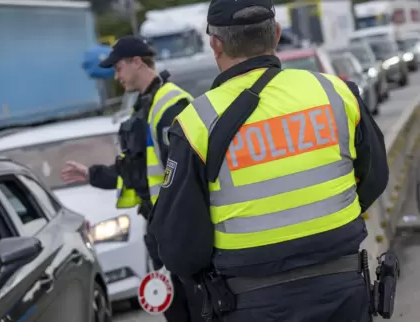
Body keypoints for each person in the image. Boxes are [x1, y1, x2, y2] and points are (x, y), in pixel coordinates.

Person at [148, 1, 390, 321]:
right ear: (276, 34)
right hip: (341, 290)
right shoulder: (335, 93)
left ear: (215, 44)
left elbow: (178, 243)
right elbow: (374, 176)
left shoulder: (196, 123)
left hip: (250, 302)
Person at [61, 36, 203, 322]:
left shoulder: (170, 104)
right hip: (162, 228)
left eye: (118, 68)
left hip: (179, 228)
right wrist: (92, 174)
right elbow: (138, 170)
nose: (116, 76)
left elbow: (187, 172)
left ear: (137, 62)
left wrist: (176, 229)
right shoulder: (145, 106)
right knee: (176, 309)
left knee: (192, 310)